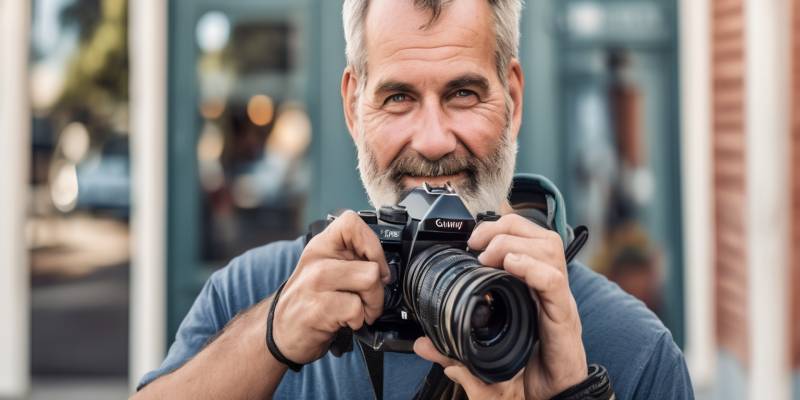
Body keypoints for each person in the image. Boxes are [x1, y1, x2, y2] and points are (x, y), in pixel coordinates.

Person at [132, 1, 693, 399]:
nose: (432, 141)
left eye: (463, 94)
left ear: (513, 100)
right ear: (354, 109)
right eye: (398, 98)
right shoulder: (252, 292)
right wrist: (270, 338)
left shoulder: (632, 349)